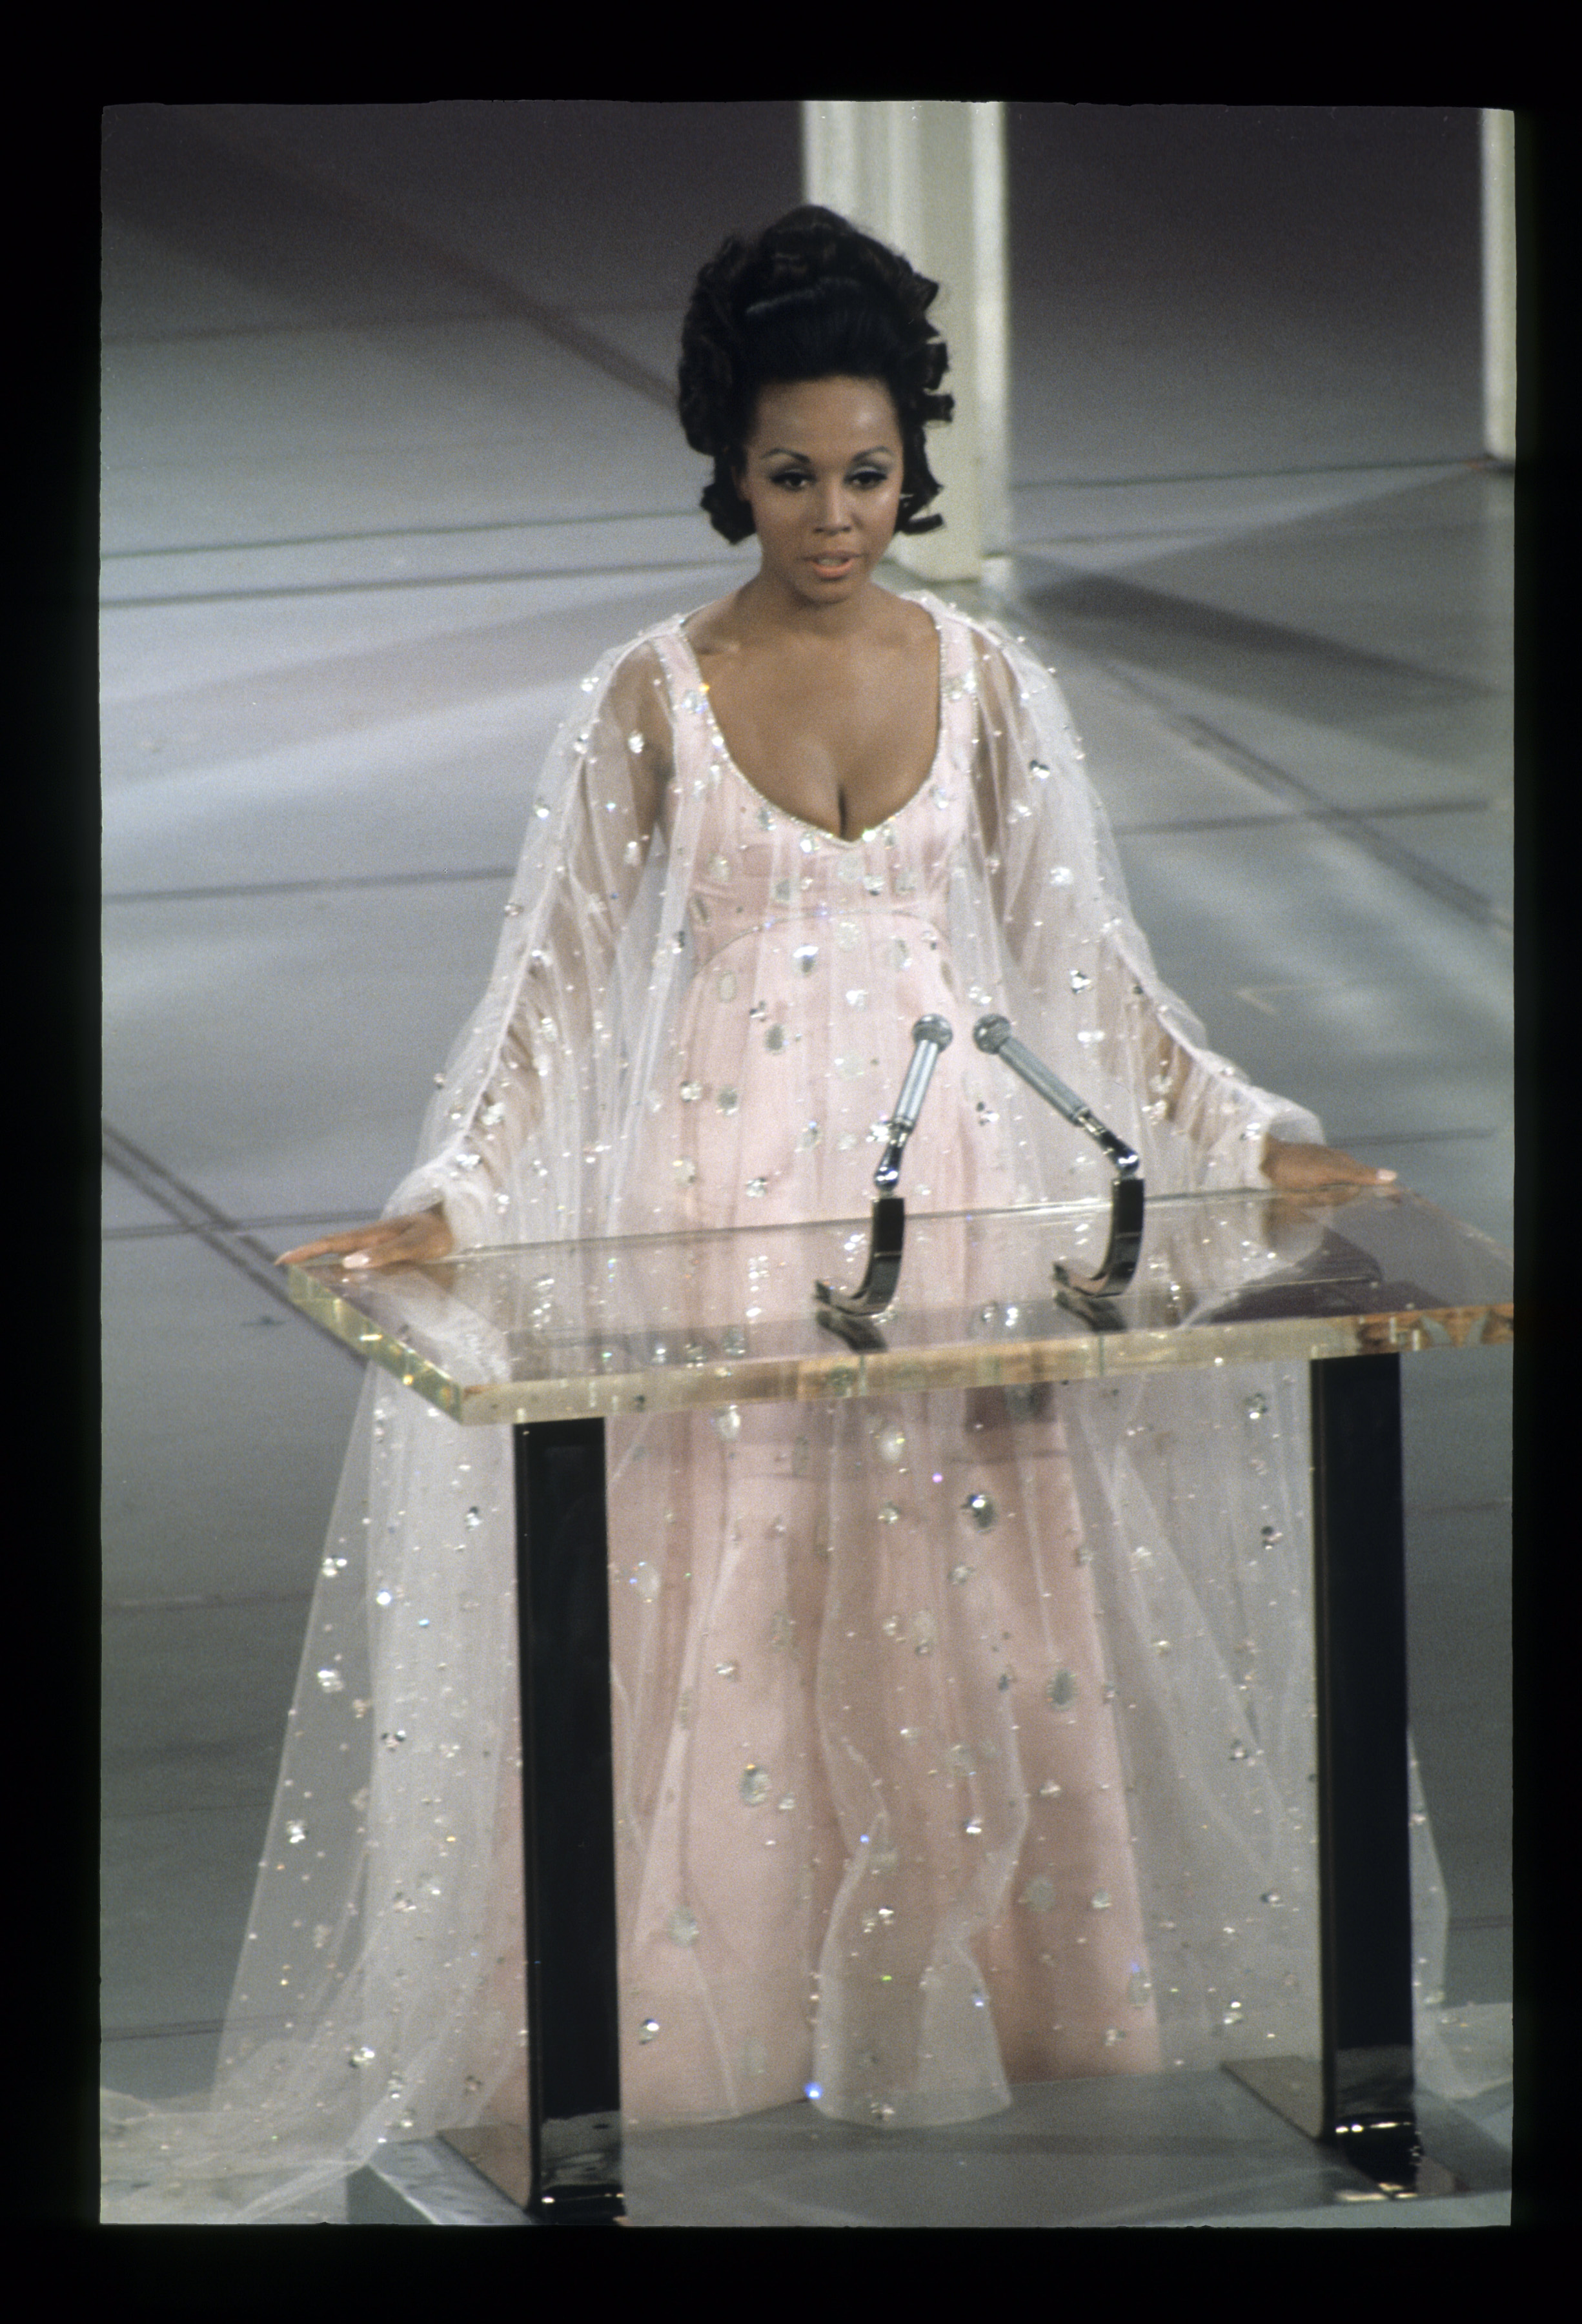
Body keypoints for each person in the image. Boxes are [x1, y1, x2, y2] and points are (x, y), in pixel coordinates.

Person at [102, 207, 1443, 2219]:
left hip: (957, 1198)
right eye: (794, 473)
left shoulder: (985, 680)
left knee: (983, 1581)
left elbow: (1090, 962)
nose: (833, 514)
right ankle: (701, 2023)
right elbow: (546, 992)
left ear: (918, 461)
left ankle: (1000, 1995)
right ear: (728, 463)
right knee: (727, 1586)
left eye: (870, 473)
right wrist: (451, 1202)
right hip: (721, 1196)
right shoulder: (651, 691)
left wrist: (1245, 1134)